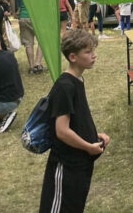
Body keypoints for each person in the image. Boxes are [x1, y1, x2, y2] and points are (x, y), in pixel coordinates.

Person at [39, 29, 110, 213]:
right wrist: (88, 146)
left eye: (93, 50)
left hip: (80, 163)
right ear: (73, 57)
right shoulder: (65, 86)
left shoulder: (78, 79)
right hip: (67, 164)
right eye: (88, 52)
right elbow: (62, 131)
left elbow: (77, 119)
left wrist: (94, 135)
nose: (94, 55)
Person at [13, 0, 43, 74]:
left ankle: (32, 67)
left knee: (28, 43)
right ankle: (38, 63)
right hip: (37, 17)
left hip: (23, 17)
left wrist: (14, 11)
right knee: (42, 41)